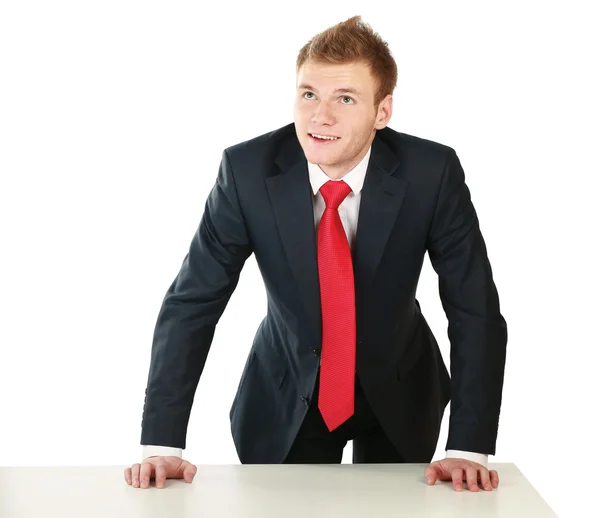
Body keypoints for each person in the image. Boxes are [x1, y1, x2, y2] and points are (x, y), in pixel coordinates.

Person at [124, 15, 507, 493]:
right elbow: (193, 301)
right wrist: (162, 443)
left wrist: (468, 446)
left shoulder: (432, 173)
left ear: (382, 111)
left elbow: (474, 309)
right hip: (284, 389)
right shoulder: (246, 172)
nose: (319, 116)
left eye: (345, 98)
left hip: (401, 386)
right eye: (309, 94)